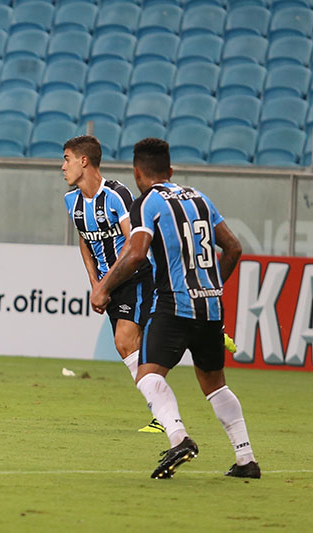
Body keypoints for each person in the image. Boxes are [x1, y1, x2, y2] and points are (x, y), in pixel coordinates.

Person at [91, 138, 260, 479]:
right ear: (170, 170)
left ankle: (179, 437)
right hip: (210, 307)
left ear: (137, 172)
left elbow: (136, 254)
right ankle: (246, 459)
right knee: (215, 384)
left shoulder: (146, 203)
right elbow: (234, 248)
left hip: (174, 304)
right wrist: (212, 288)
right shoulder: (200, 198)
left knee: (148, 375)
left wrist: (103, 287)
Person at [62, 136, 162, 433]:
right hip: (109, 283)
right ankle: (161, 405)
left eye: (67, 158)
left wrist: (104, 285)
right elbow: (84, 240)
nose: (62, 166)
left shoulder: (117, 195)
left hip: (134, 275)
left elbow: (133, 243)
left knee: (125, 342)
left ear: (84, 161)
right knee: (131, 348)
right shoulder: (72, 201)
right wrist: (95, 283)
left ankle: (162, 413)